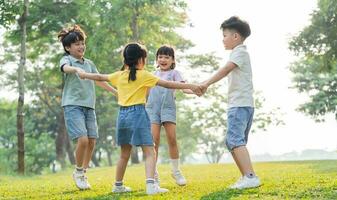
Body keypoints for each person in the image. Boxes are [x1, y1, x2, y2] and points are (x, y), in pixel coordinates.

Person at [77, 43, 202, 195]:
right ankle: (151, 185)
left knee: (124, 153)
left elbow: (99, 76)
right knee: (150, 151)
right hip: (138, 114)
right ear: (141, 60)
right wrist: (193, 85)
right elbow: (169, 84)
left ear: (126, 60)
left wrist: (84, 74)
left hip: (122, 116)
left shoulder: (119, 75)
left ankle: (118, 185)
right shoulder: (144, 75)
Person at [200, 16, 261, 189]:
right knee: (233, 141)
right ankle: (246, 176)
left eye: (225, 35)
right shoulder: (239, 52)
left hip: (239, 104)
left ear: (235, 37)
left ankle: (250, 176)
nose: (223, 39)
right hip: (243, 104)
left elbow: (226, 70)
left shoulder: (240, 52)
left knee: (234, 140)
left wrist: (205, 83)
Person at [58, 25, 117, 190]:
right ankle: (77, 171)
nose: (81, 46)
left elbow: (98, 80)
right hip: (72, 105)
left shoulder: (89, 63)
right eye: (76, 44)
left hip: (89, 107)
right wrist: (76, 68)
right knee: (83, 140)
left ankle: (83, 172)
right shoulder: (68, 60)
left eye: (82, 43)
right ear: (68, 47)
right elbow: (64, 68)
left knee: (91, 141)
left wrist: (115, 92)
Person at [146, 45, 193, 186]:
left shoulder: (175, 73)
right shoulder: (152, 74)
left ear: (172, 60)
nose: (163, 59)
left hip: (168, 108)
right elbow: (146, 93)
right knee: (153, 142)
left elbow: (185, 88)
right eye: (160, 57)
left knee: (172, 139)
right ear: (157, 59)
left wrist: (196, 90)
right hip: (152, 109)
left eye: (167, 57)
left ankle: (176, 171)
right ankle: (153, 174)